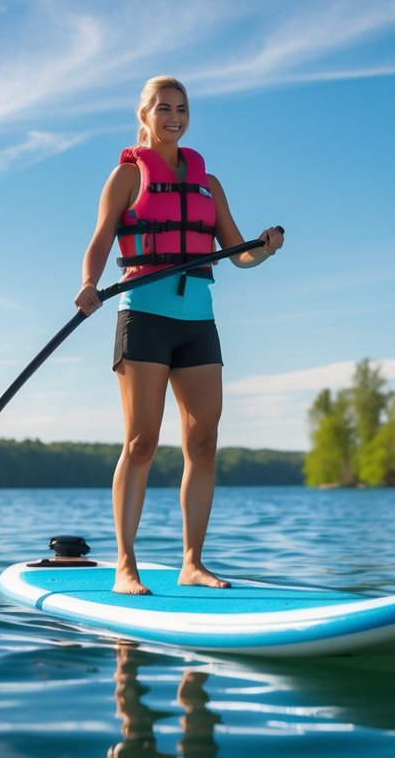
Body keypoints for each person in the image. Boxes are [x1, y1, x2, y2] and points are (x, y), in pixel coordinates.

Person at [74, 75, 285, 595]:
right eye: (164, 108)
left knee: (204, 442)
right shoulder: (126, 175)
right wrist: (86, 284)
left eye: (182, 108)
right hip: (143, 314)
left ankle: (193, 562)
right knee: (142, 442)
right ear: (144, 115)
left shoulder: (208, 183)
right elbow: (100, 241)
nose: (174, 116)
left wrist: (265, 249)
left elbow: (237, 254)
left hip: (198, 322)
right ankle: (126, 564)